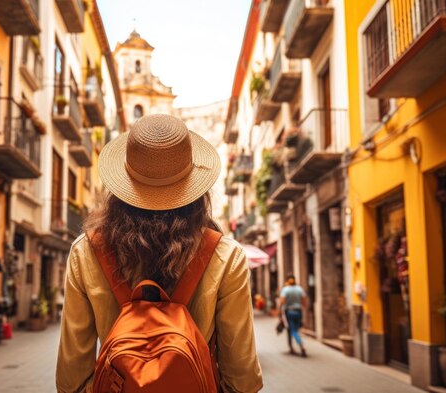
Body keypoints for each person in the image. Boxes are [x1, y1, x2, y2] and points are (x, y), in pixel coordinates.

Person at [56, 114, 263, 392]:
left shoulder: (85, 252)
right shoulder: (226, 257)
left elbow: (71, 379)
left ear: (123, 185)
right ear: (194, 186)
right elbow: (242, 378)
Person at [279, 274, 307, 357]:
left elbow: (282, 301)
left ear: (287, 281)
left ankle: (301, 346)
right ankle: (291, 347)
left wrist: (280, 312)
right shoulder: (300, 289)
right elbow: (304, 302)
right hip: (298, 311)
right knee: (295, 329)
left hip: (289, 312)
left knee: (293, 330)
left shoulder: (285, 290)